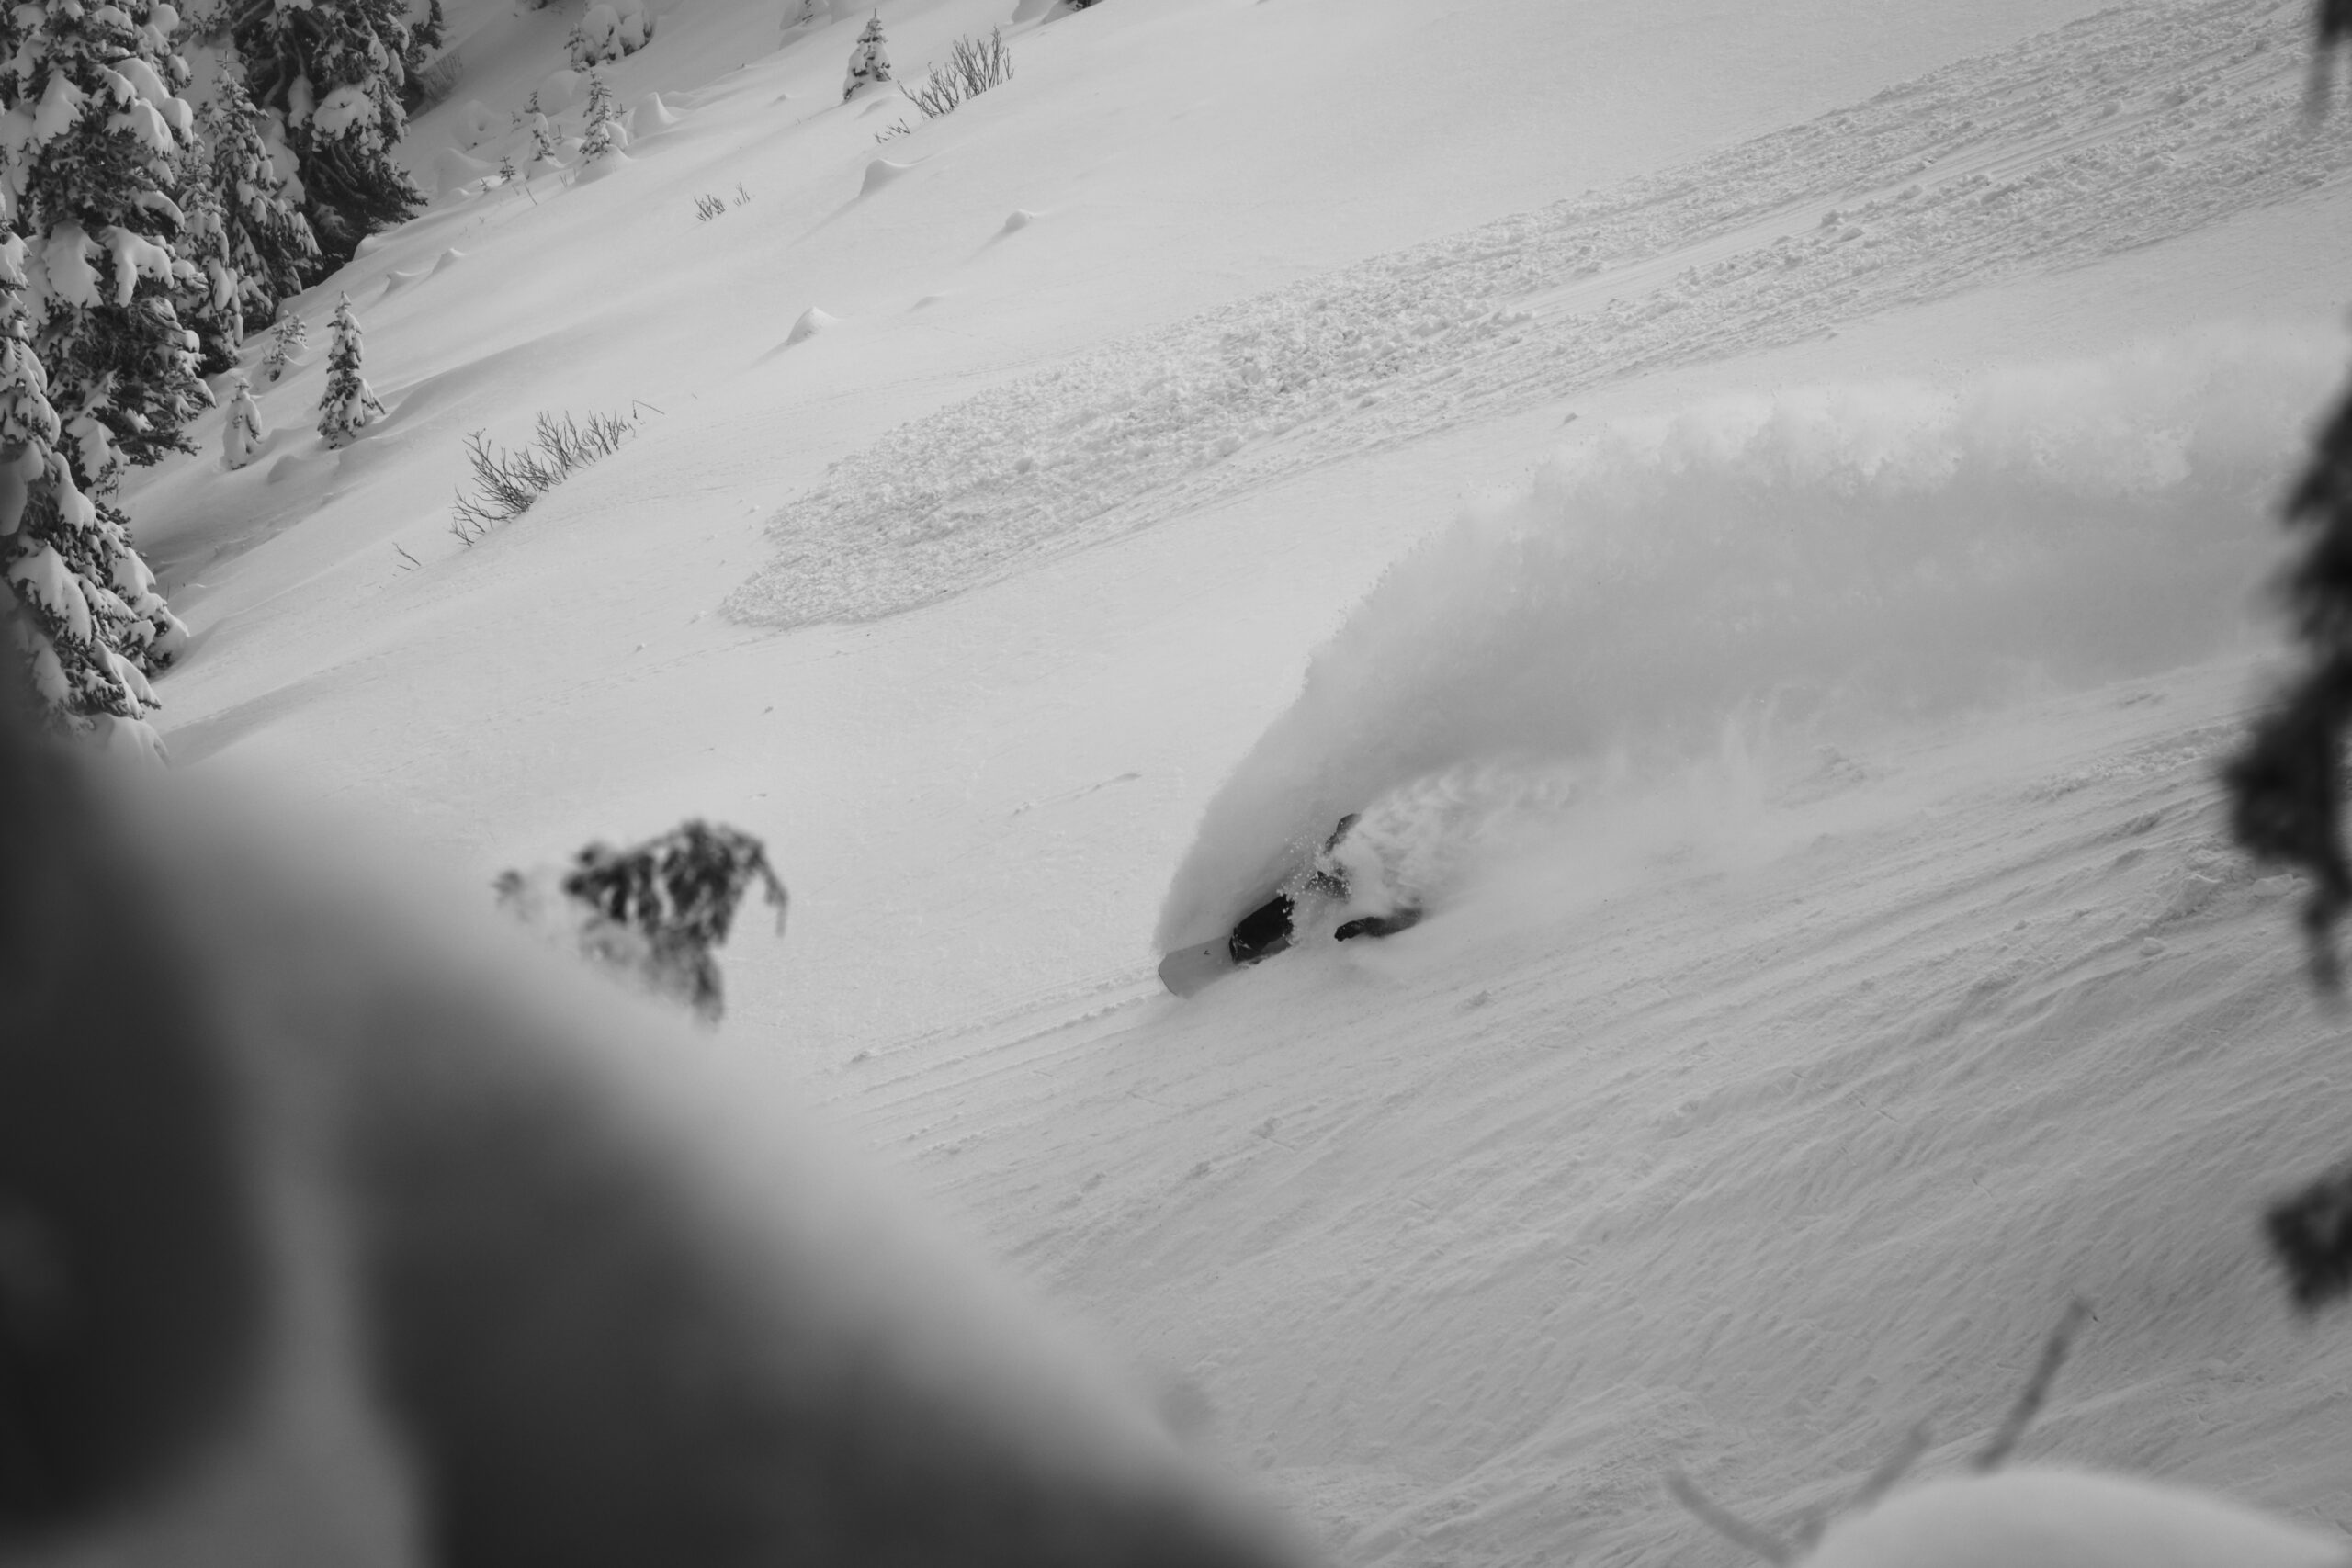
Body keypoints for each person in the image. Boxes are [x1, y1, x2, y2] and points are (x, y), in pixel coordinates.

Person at [1226, 814, 1422, 965]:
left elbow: (1409, 915)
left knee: (1313, 901)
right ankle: (1245, 940)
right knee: (1301, 900)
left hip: (1354, 907)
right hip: (1334, 894)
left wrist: (1363, 924)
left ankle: (1248, 939)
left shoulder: (1397, 872)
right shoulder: (1339, 861)